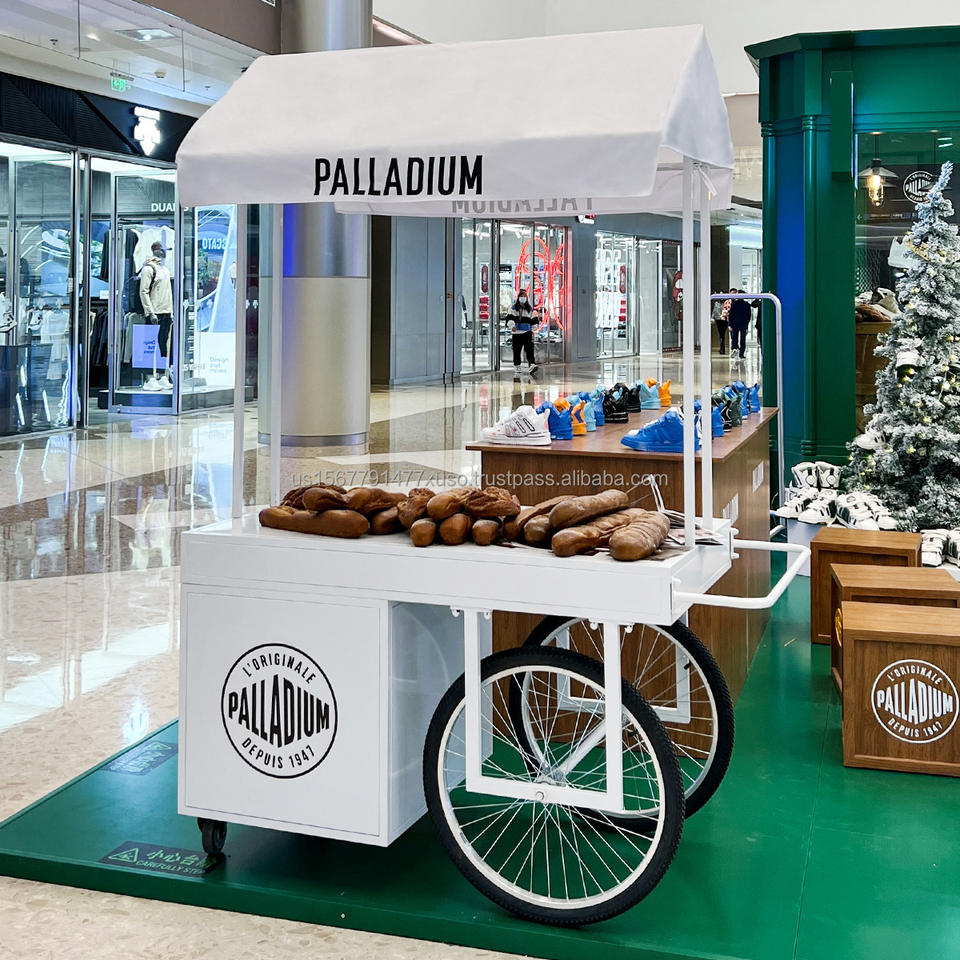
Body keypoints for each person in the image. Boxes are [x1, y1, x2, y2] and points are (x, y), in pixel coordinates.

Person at [140, 241, 174, 389]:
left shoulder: (165, 269)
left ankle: (161, 375)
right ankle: (149, 378)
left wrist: (171, 312)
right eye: (162, 250)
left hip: (166, 312)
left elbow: (168, 293)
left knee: (163, 345)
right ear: (156, 251)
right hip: (155, 312)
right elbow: (144, 291)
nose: (165, 252)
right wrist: (150, 312)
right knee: (150, 346)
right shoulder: (148, 269)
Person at [506, 290, 537, 374]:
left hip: (527, 332)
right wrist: (512, 326)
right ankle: (517, 365)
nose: (523, 298)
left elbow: (534, 319)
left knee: (529, 350)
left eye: (524, 296)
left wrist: (534, 328)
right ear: (518, 297)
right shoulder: (513, 308)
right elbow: (509, 318)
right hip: (517, 333)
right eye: (521, 296)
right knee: (517, 350)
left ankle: (532, 364)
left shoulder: (529, 309)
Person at [727, 287, 751, 361]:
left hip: (735, 324)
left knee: (735, 338)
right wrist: (747, 325)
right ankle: (741, 354)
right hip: (743, 324)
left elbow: (731, 315)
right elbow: (748, 316)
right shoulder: (746, 304)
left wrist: (730, 324)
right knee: (742, 339)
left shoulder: (734, 304)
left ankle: (735, 349)